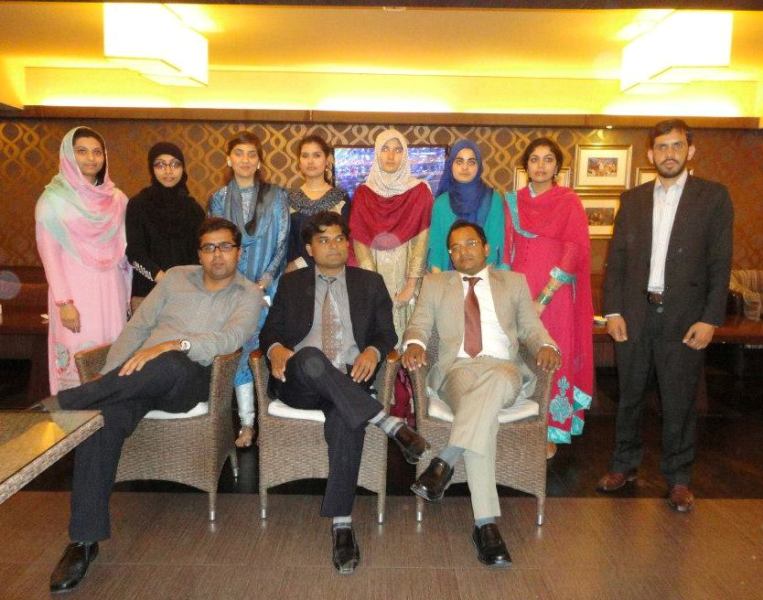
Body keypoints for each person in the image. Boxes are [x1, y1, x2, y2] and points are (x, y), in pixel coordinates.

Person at [39, 217, 261, 593]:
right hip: (139, 379)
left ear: (239, 252)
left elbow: (231, 339)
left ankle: (64, 403)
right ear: (199, 253)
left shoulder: (248, 294)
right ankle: (83, 541)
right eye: (209, 247)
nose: (217, 254)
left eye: (225, 246)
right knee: (100, 421)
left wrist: (176, 344)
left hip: (191, 380)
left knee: (171, 361)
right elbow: (138, 327)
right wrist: (109, 374)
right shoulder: (175, 278)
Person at [259, 211, 429, 575]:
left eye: (339, 238)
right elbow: (269, 332)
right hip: (301, 380)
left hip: (351, 379)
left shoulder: (370, 283)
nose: (333, 246)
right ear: (309, 248)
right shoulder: (292, 283)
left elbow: (386, 334)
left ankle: (342, 524)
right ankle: (387, 421)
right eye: (323, 240)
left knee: (345, 419)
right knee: (310, 357)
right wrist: (275, 350)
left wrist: (373, 352)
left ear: (347, 244)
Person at [402, 220, 560, 568]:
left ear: (487, 248)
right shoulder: (435, 284)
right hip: (457, 371)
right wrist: (414, 344)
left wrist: (546, 346)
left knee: (491, 388)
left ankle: (448, 467)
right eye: (455, 248)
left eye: (470, 244)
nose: (463, 252)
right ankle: (483, 526)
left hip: (503, 369)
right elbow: (419, 325)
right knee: (480, 416)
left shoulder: (513, 282)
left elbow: (532, 328)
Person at [597, 119, 733, 513]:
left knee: (680, 401)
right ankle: (623, 465)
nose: (669, 154)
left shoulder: (713, 197)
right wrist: (613, 310)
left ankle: (678, 478)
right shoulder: (633, 199)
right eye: (662, 147)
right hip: (635, 313)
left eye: (676, 146)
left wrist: (710, 319)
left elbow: (720, 262)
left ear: (690, 151)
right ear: (650, 153)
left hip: (685, 318)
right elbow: (617, 261)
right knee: (629, 395)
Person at [503, 137, 593, 459]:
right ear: (525, 166)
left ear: (557, 167)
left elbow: (574, 250)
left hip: (555, 296)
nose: (540, 166)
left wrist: (543, 299)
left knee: (550, 356)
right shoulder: (512, 201)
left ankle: (550, 429)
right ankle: (518, 425)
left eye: (548, 159)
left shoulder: (568, 202)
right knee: (517, 357)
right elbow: (506, 249)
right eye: (534, 159)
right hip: (517, 290)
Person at [208, 131, 289, 448]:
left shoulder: (277, 196)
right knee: (239, 353)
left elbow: (282, 243)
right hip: (231, 291)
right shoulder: (218, 199)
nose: (245, 159)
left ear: (259, 161)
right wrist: (237, 285)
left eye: (251, 154)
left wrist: (264, 281)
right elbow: (215, 246)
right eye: (239, 153)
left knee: (269, 350)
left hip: (269, 290)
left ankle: (273, 421)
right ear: (229, 160)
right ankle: (247, 423)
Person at [35, 126, 131, 394]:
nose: (91, 158)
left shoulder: (117, 199)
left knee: (112, 355)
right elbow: (49, 256)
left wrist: (127, 296)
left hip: (111, 290)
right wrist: (64, 303)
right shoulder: (52, 200)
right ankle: (74, 416)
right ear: (68, 155)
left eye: (97, 152)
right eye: (82, 151)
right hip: (74, 296)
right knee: (78, 357)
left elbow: (126, 252)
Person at [349, 128, 433, 340]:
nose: (391, 155)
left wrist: (410, 286)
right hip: (373, 277)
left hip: (408, 277)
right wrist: (373, 287)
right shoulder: (363, 193)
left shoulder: (420, 191)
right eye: (385, 149)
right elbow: (360, 242)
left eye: (397, 150)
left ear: (405, 154)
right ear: (377, 153)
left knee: (409, 337)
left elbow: (422, 241)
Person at [126, 142, 205, 312]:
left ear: (183, 168)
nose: (168, 171)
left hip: (186, 293)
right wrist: (163, 279)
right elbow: (134, 253)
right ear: (152, 168)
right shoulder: (138, 204)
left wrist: (183, 283)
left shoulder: (193, 209)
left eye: (175, 164)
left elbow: (199, 254)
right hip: (147, 293)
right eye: (161, 165)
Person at [428, 139, 506, 272]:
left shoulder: (493, 200)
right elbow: (436, 249)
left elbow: (495, 245)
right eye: (459, 161)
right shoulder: (441, 203)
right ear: (451, 165)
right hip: (448, 278)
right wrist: (439, 280)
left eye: (471, 162)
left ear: (479, 166)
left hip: (485, 277)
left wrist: (480, 280)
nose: (465, 167)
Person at [286, 134, 350, 272]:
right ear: (299, 162)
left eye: (316, 155)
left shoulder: (340, 198)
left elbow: (344, 240)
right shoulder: (288, 198)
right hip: (295, 272)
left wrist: (303, 262)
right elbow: (284, 242)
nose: (310, 161)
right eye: (305, 156)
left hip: (332, 269)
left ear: (327, 160)